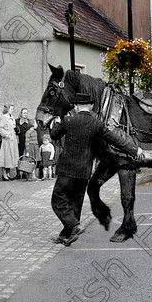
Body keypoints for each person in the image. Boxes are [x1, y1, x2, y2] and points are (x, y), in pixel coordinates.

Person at [48, 92, 140, 246]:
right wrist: (134, 150)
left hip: (67, 169)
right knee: (76, 202)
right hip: (84, 171)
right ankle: (67, 235)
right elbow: (116, 140)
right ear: (90, 106)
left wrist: (55, 120)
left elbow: (54, 135)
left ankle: (73, 225)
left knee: (58, 199)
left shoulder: (68, 120)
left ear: (76, 106)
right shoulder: (97, 123)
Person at [0, 104, 19, 181]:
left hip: (13, 139)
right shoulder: (4, 117)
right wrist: (6, 134)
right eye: (11, 109)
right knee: (6, 157)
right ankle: (4, 174)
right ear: (7, 109)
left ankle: (8, 173)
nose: (12, 111)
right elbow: (0, 128)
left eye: (13, 109)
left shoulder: (12, 117)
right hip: (7, 140)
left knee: (10, 157)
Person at [16, 108, 33, 173]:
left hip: (27, 141)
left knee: (26, 156)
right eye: (24, 113)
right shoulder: (17, 121)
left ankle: (25, 172)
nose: (25, 114)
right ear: (21, 114)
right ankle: (18, 172)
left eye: (26, 113)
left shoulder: (29, 122)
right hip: (20, 141)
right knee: (19, 156)